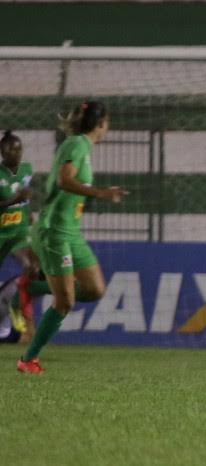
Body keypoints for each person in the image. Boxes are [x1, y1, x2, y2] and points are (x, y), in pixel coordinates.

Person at [17, 101, 128, 374]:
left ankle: (34, 288)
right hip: (54, 231)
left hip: (71, 232)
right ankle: (28, 360)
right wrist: (101, 193)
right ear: (101, 124)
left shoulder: (82, 147)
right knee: (65, 303)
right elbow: (64, 181)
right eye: (107, 122)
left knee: (95, 290)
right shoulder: (77, 144)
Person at [0, 131, 39, 331]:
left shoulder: (26, 170)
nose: (16, 152)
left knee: (33, 267)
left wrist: (29, 213)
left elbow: (26, 197)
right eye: (11, 148)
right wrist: (14, 200)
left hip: (19, 231)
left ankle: (17, 306)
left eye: (19, 148)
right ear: (2, 152)